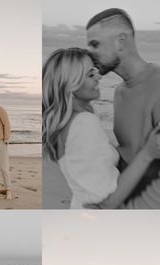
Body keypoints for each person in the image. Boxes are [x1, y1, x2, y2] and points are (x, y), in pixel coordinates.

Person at [43, 48, 160, 209]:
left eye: (96, 71)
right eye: (91, 75)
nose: (99, 77)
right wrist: (147, 152)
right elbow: (108, 201)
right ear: (71, 85)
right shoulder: (83, 124)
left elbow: (91, 165)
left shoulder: (68, 124)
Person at [86, 8, 160, 208]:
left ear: (121, 41)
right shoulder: (119, 92)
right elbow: (131, 152)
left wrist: (127, 210)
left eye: (95, 44)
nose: (89, 53)